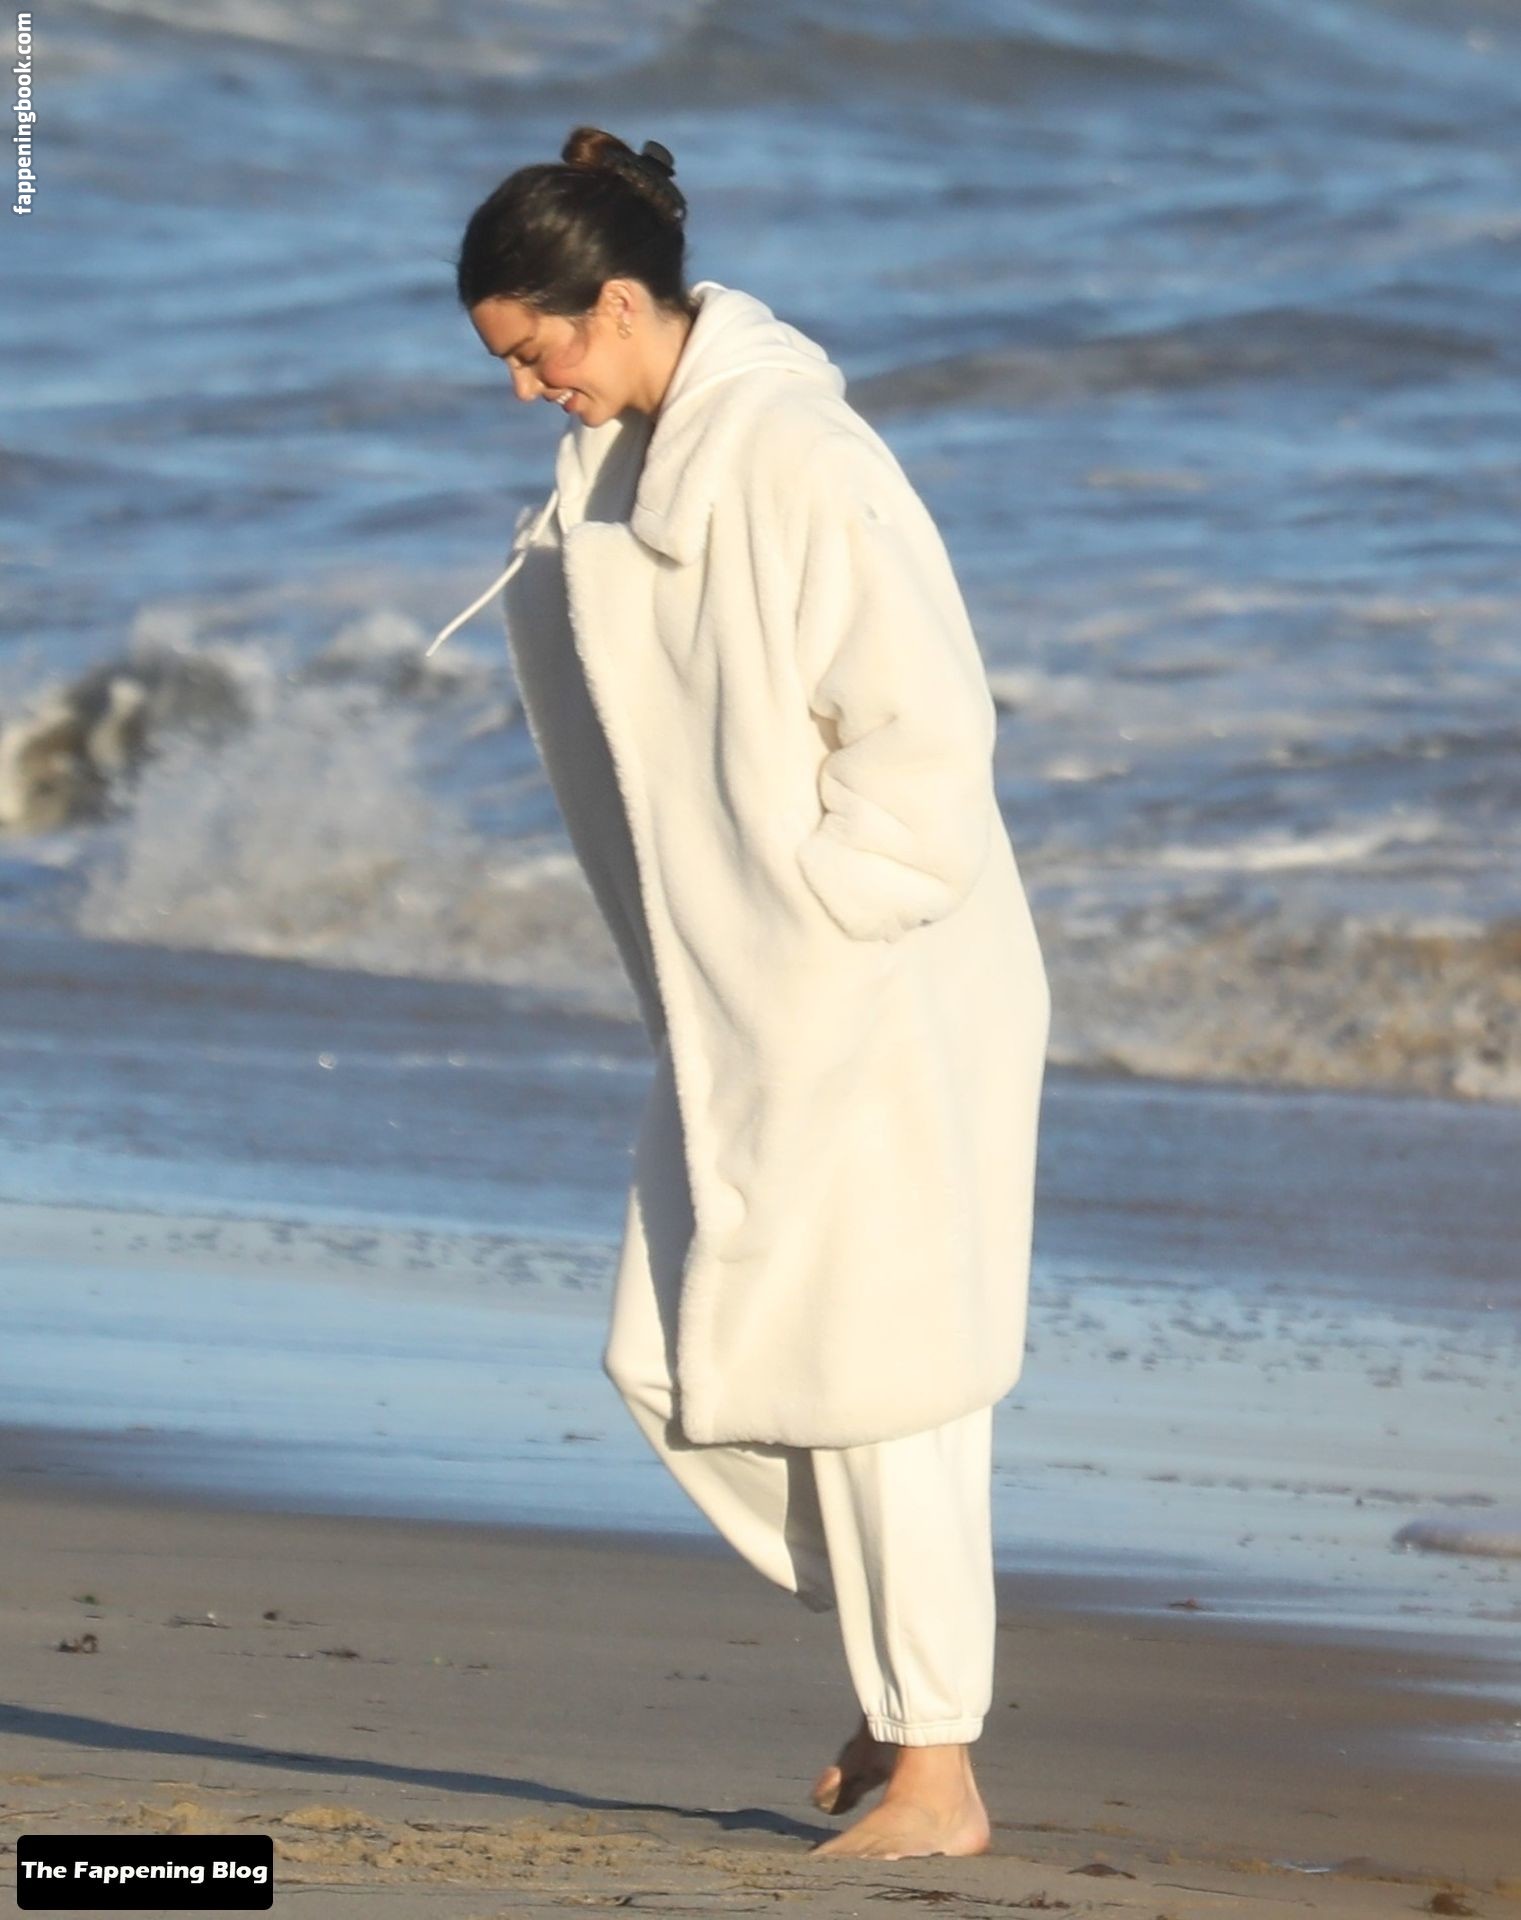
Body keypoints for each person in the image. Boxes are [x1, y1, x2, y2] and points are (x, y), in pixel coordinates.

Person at [430, 124, 1051, 1862]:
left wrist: (828, 918)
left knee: (887, 1382)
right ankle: (901, 1685)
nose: (525, 388)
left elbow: (925, 724)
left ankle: (935, 1769)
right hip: (744, 1003)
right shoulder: (624, 463)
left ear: (619, 304)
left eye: (534, 351)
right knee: (669, 1355)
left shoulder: (793, 452)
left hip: (875, 979)